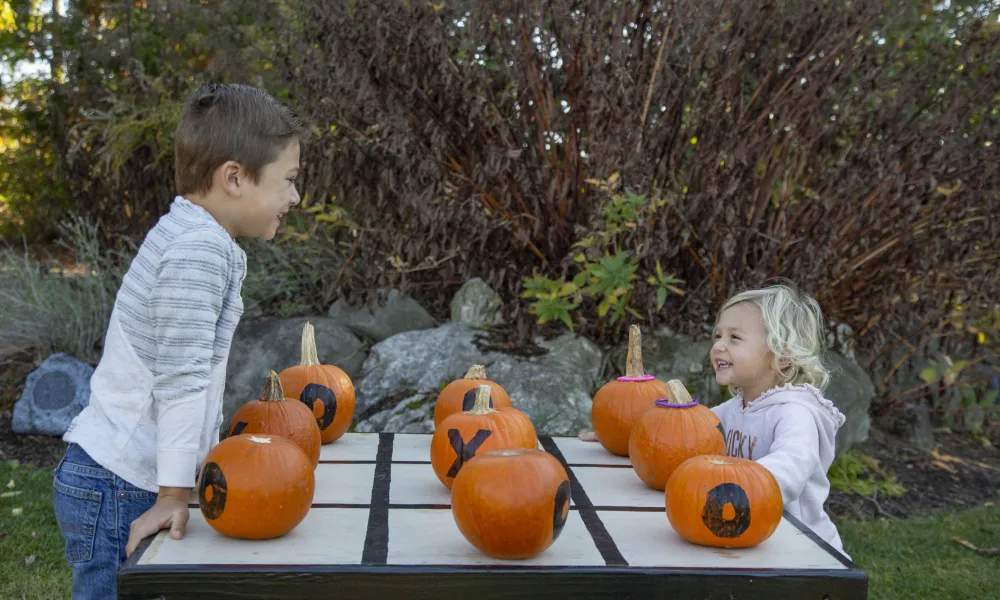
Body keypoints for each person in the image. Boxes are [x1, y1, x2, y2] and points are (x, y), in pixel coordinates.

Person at [52, 82, 305, 599]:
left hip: (123, 479)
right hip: (121, 486)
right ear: (233, 177)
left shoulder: (196, 236)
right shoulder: (196, 251)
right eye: (288, 181)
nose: (295, 198)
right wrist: (173, 494)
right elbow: (181, 381)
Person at [579, 283, 849, 557]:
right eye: (718, 335)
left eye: (735, 338)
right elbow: (680, 439)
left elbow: (790, 469)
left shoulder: (795, 413)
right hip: (742, 540)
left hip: (802, 549)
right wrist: (620, 434)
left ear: (783, 356)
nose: (719, 346)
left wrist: (730, 483)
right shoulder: (733, 409)